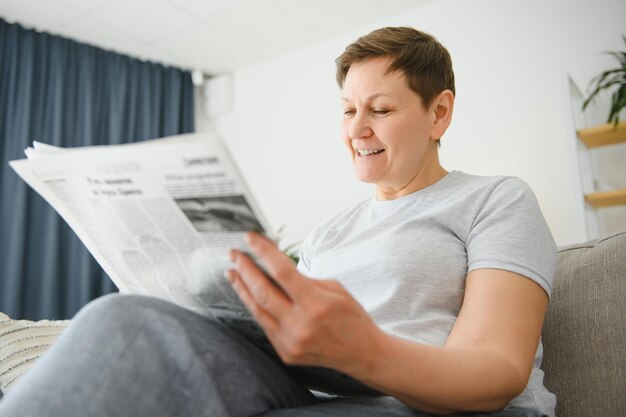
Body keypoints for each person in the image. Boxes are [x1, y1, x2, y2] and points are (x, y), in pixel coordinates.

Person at [0, 26, 556, 417]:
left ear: (438, 113)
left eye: (381, 110)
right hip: (316, 397)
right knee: (126, 317)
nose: (356, 128)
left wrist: (361, 350)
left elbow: (496, 371)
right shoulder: (328, 235)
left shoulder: (494, 200)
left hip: (438, 408)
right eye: (347, 109)